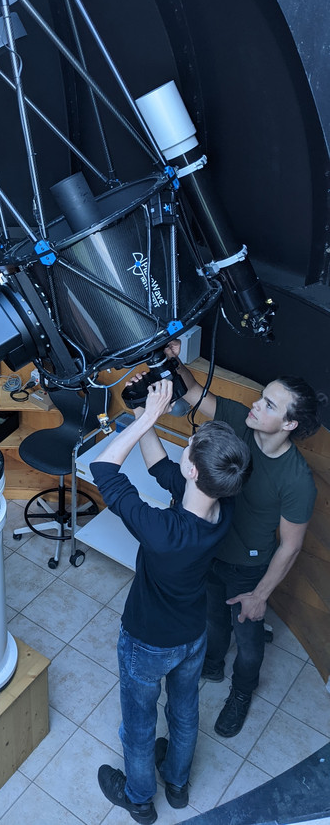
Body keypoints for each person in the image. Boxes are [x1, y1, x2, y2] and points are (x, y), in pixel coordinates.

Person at [91, 378, 251, 824]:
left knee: (139, 727)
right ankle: (177, 785)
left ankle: (140, 798)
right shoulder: (222, 503)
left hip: (147, 641)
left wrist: (145, 418)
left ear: (195, 471)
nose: (185, 451)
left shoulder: (165, 532)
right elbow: (166, 471)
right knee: (183, 713)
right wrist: (149, 420)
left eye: (190, 447)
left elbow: (105, 469)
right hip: (192, 634)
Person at [163, 338, 325, 738]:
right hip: (214, 550)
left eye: (269, 404)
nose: (256, 404)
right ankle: (213, 665)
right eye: (261, 397)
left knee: (249, 642)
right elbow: (196, 394)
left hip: (248, 570)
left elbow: (291, 545)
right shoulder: (241, 422)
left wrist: (260, 595)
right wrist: (172, 362)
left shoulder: (297, 480)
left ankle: (242, 691)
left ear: (289, 425)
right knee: (213, 619)